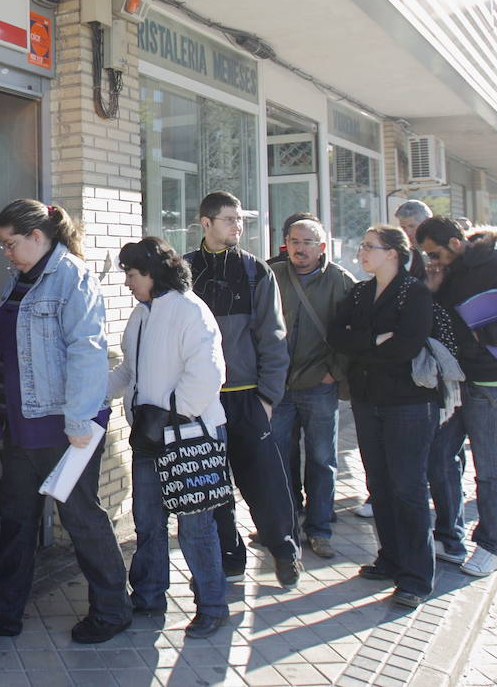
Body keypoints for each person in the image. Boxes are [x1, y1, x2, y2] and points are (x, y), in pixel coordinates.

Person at [0, 199, 132, 647]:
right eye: (2, 246)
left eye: (11, 244)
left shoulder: (72, 277)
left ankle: (113, 609)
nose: (7, 253)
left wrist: (78, 420)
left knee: (81, 518)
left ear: (38, 236)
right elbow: (1, 347)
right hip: (19, 422)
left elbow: (87, 352)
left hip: (62, 427)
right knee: (16, 519)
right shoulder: (16, 280)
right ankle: (2, 611)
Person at [417, 218, 497, 577]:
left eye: (435, 252)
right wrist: (431, 289)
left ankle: (492, 544)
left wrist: (485, 336)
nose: (432, 259)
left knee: (490, 469)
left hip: (490, 382)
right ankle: (449, 537)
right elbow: (442, 320)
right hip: (453, 379)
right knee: (440, 458)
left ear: (456, 243)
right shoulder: (447, 271)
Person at [108, 237, 228, 636]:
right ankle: (148, 595)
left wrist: (170, 414)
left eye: (131, 273)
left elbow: (209, 375)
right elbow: (130, 371)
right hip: (149, 437)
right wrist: (92, 391)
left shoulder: (190, 311)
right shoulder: (141, 315)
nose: (126, 281)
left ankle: (212, 605)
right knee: (148, 521)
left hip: (190, 437)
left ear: (152, 273)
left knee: (195, 528)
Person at [184, 191, 300, 588]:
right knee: (213, 483)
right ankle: (230, 556)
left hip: (248, 396)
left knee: (264, 480)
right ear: (206, 223)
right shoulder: (183, 271)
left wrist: (268, 396)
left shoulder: (256, 271)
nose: (238, 226)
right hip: (201, 399)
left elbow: (273, 336)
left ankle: (284, 550)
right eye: (230, 219)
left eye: (240, 220)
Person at [328, 226, 438, 610]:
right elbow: (336, 336)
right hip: (366, 399)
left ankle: (416, 576)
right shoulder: (359, 291)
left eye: (369, 247)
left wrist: (363, 342)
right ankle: (389, 558)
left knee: (407, 487)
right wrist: (374, 339)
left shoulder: (415, 292)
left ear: (393, 253)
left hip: (407, 403)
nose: (361, 253)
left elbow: (406, 347)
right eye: (361, 246)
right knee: (380, 484)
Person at [269, 217, 354, 560]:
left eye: (307, 242)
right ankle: (284, 527)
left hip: (319, 385)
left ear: (321, 248)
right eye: (294, 241)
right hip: (281, 385)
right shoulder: (272, 275)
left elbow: (351, 332)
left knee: (321, 459)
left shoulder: (340, 281)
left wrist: (334, 373)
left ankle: (319, 529)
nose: (299, 248)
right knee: (279, 457)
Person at [395, 200, 433, 280]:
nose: (407, 232)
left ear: (426, 223)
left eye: (412, 226)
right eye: (403, 227)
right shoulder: (399, 253)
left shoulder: (439, 248)